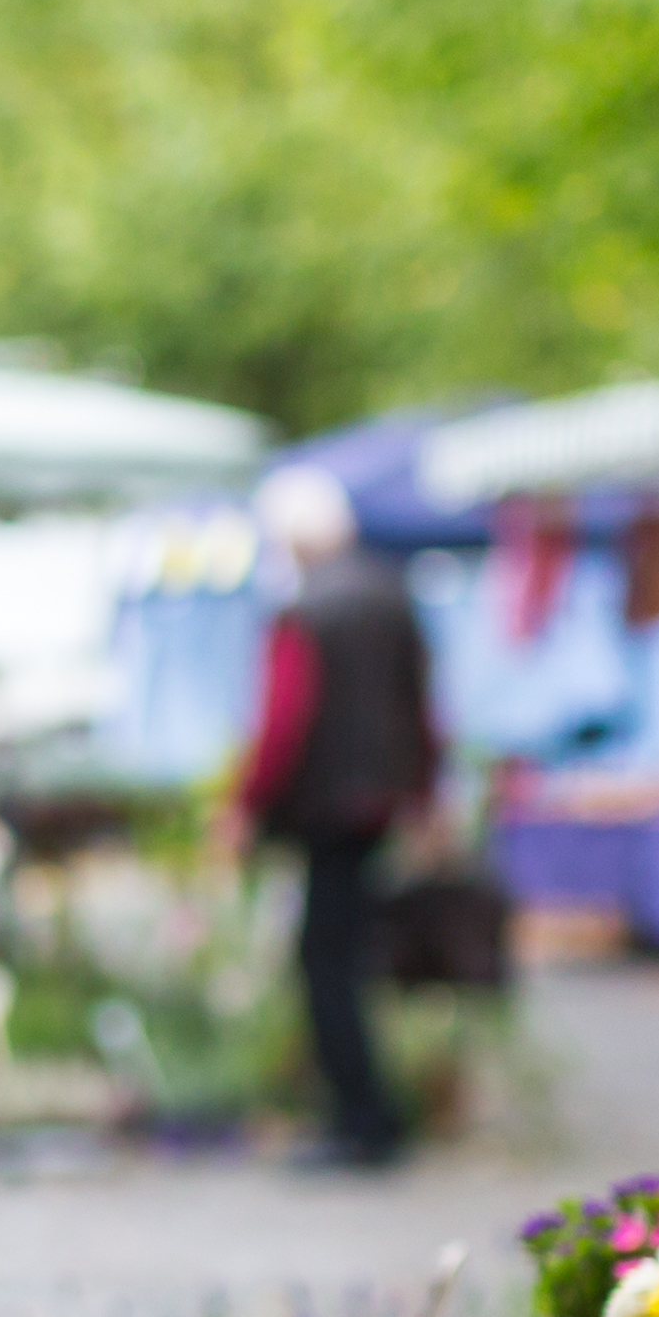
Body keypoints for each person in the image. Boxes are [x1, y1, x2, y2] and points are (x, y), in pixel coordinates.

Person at [233, 480, 443, 1169]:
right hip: (377, 803)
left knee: (326, 966)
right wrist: (422, 793)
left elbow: (283, 719)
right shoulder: (392, 596)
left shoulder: (307, 608)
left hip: (323, 806)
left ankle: (361, 1120)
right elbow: (423, 707)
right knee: (349, 960)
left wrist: (247, 804)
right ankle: (367, 1112)